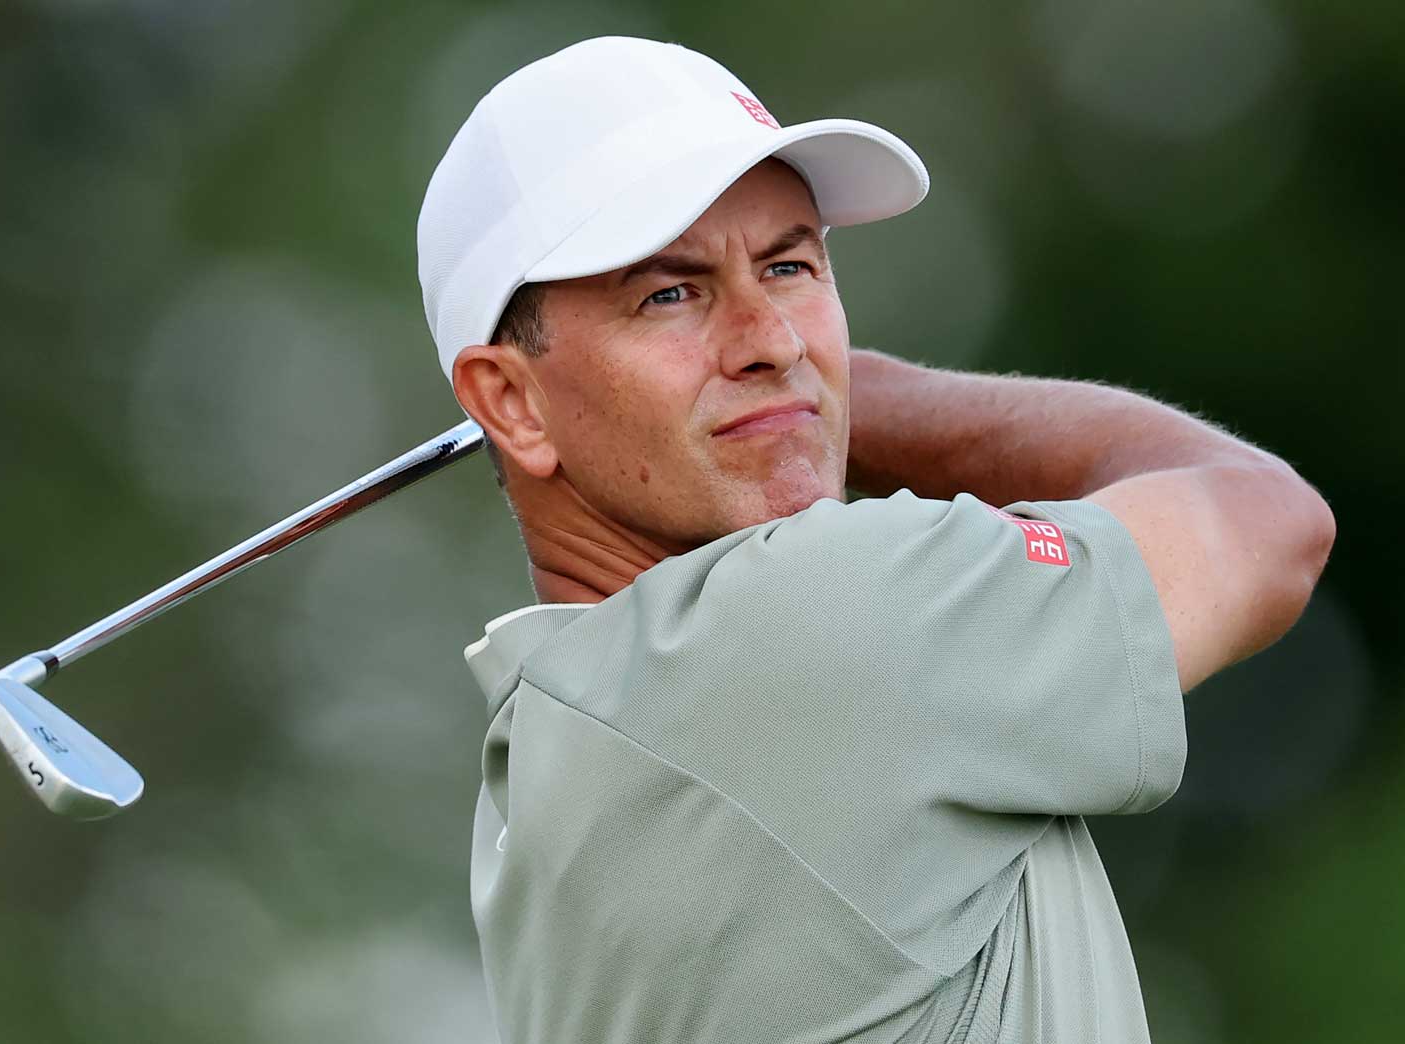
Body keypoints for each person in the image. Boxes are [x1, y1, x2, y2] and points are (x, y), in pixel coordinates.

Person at [418, 36, 1334, 1044]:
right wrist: (860, 397)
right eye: (668, 293)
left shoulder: (541, 773)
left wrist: (778, 400)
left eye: (789, 264)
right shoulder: (814, 623)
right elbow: (1262, 520)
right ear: (510, 402)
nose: (770, 338)